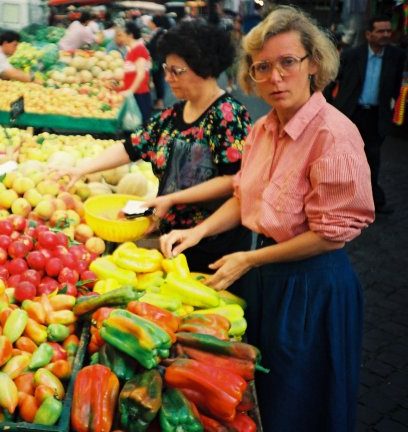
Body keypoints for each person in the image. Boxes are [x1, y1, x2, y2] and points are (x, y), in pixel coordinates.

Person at [159, 6, 374, 431]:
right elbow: (245, 196)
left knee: (301, 399)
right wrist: (196, 230)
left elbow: (331, 236)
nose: (275, 77)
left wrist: (250, 260)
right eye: (263, 67)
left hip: (311, 288)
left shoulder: (334, 134)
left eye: (287, 62)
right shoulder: (262, 129)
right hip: (264, 280)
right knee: (261, 396)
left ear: (313, 64)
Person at [61, 21, 253, 273]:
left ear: (204, 69)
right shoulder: (171, 115)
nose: (167, 78)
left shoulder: (228, 115)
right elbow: (132, 147)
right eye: (166, 69)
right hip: (170, 237)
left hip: (212, 244)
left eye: (176, 71)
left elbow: (234, 180)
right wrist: (82, 168)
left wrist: (171, 198)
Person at [324, 15, 406, 214]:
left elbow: (397, 86)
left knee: (372, 157)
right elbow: (331, 79)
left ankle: (371, 201)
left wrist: (394, 110)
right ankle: (339, 198)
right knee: (344, 157)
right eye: (380, 31)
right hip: (351, 114)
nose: (385, 34)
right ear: (369, 34)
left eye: (388, 31)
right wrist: (329, 105)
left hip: (376, 116)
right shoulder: (352, 55)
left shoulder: (397, 56)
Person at [120, 21, 152, 125]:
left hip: (140, 95)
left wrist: (130, 91)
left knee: (140, 128)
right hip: (134, 94)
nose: (121, 38)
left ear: (130, 35)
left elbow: (141, 74)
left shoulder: (139, 49)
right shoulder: (131, 51)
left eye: (123, 35)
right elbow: (129, 73)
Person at [147, 14, 171, 110]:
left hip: (157, 60)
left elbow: (155, 46)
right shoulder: (160, 31)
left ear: (155, 23)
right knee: (158, 79)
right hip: (159, 59)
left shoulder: (160, 32)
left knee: (158, 80)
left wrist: (146, 44)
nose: (149, 24)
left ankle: (160, 102)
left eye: (151, 22)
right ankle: (159, 100)